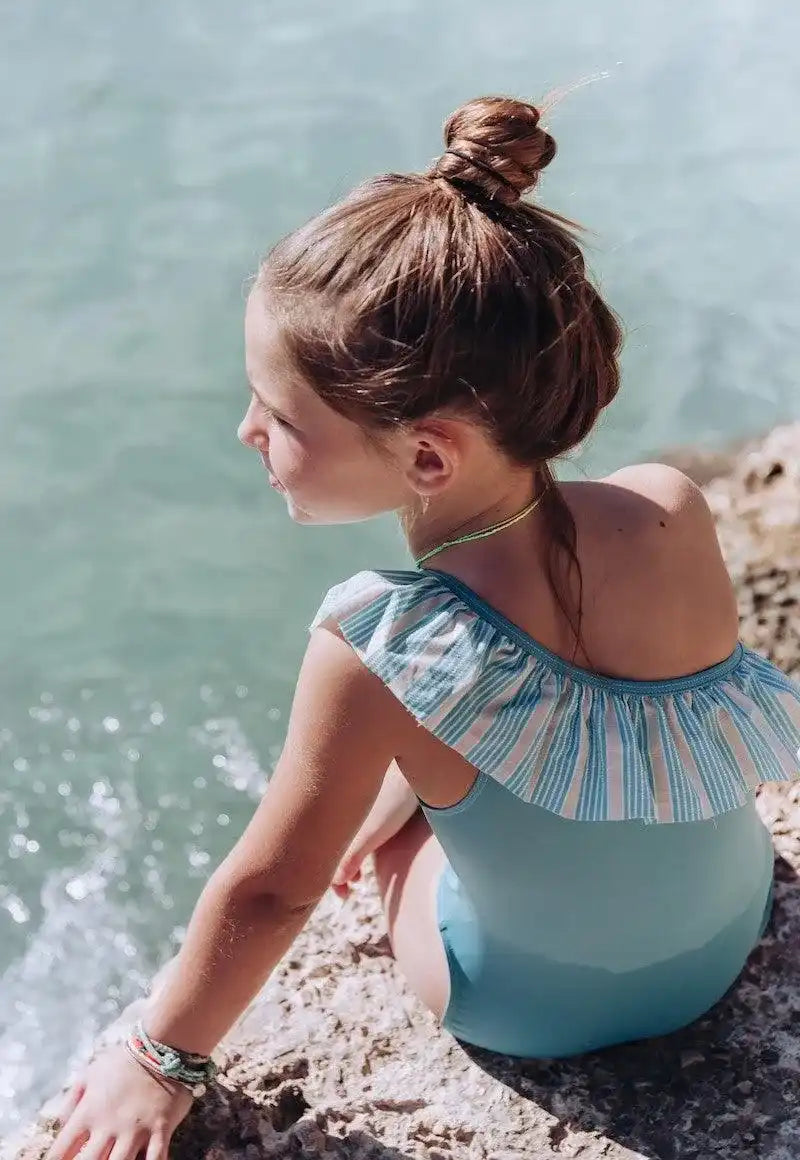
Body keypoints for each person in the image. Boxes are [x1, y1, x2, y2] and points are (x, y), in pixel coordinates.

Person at [49, 95, 800, 1160]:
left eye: (281, 414)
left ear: (429, 456)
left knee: (391, 839)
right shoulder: (667, 506)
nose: (246, 430)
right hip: (723, 937)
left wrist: (158, 1056)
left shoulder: (379, 645)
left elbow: (272, 890)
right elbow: (625, 717)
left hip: (531, 1006)